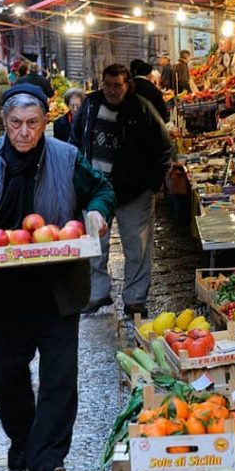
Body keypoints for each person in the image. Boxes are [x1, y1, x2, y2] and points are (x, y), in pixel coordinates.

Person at [0, 84, 115, 471]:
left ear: (43, 123)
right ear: (4, 123)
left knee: (60, 376)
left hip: (57, 285)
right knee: (6, 373)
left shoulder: (67, 157)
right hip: (2, 286)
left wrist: (96, 214)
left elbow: (102, 191)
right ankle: (22, 440)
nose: (24, 132)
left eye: (33, 123)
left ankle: (46, 460)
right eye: (16, 123)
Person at [69, 64, 173, 317]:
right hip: (95, 190)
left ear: (128, 85)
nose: (112, 90)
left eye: (118, 85)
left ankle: (135, 299)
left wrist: (151, 185)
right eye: (108, 85)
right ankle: (97, 293)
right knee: (95, 243)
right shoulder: (91, 105)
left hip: (134, 190)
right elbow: (75, 140)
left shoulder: (141, 109)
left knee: (137, 246)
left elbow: (164, 148)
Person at [130, 59, 169, 123]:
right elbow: (162, 112)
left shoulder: (128, 86)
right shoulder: (152, 89)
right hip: (150, 125)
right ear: (149, 74)